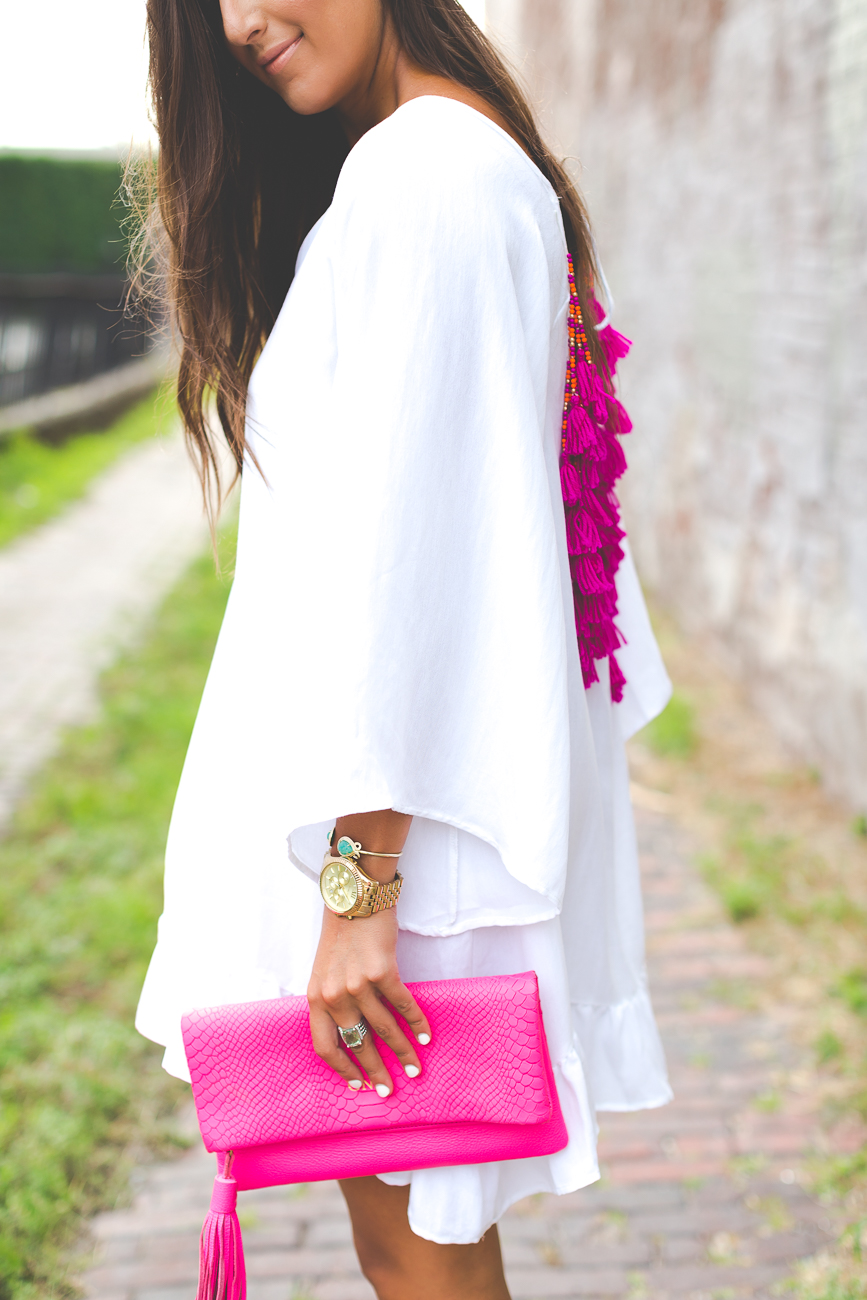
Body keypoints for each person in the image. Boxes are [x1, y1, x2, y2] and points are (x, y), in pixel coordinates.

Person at [134, 1, 674, 1296]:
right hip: (391, 833)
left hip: (394, 853)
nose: (243, 21)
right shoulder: (443, 160)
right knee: (413, 1243)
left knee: (417, 1251)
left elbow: (420, 563)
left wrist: (356, 897)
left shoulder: (425, 174)